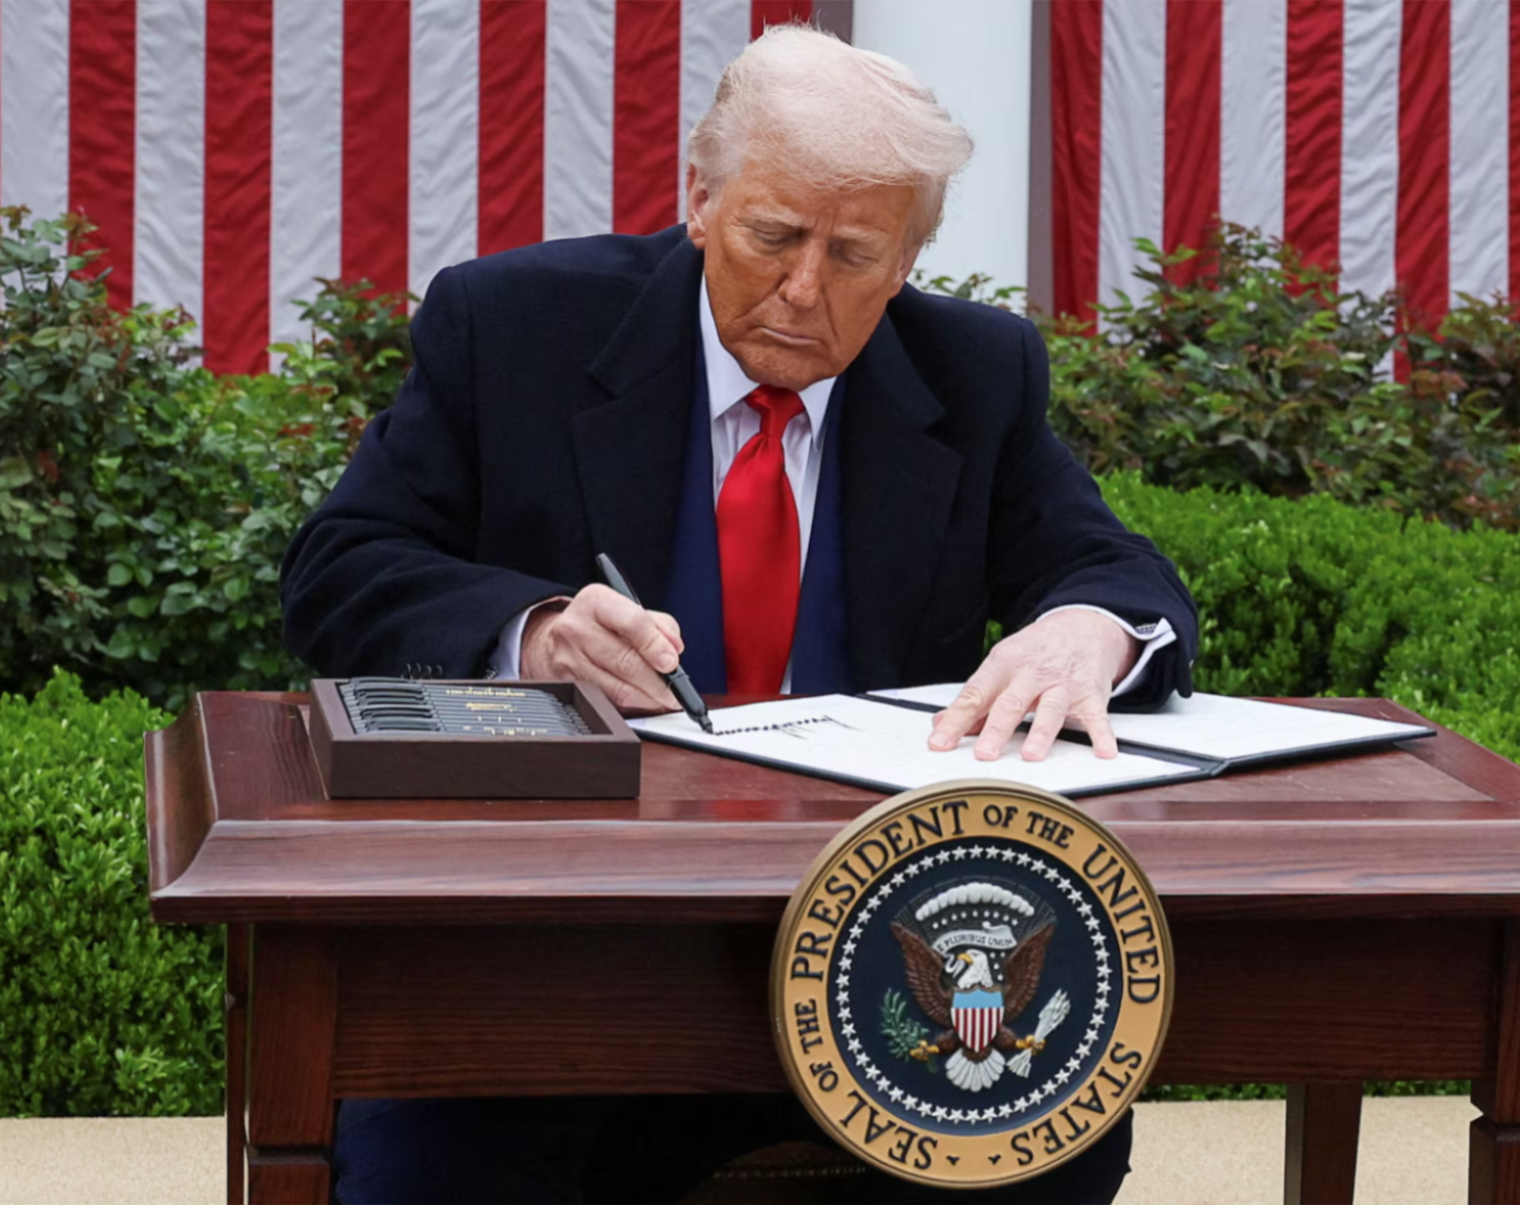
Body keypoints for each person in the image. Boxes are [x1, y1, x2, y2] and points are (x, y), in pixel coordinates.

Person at [281, 24, 1195, 1204]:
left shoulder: (977, 372)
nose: (806, 290)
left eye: (859, 253)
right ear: (702, 199)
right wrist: (538, 630)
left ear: (913, 258)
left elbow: (1117, 574)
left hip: (875, 946)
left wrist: (1089, 629)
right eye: (775, 236)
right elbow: (339, 571)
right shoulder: (511, 326)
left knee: (1053, 1146)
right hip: (551, 940)